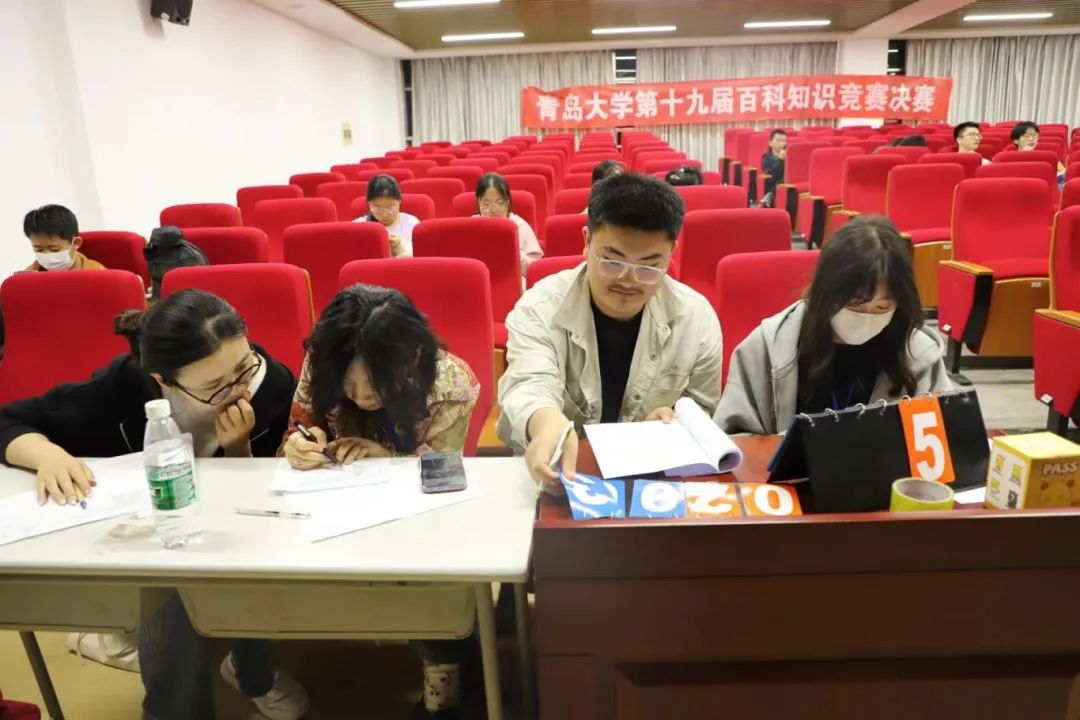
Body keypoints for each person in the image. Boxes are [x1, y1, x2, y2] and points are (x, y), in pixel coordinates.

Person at [0, 290, 308, 720]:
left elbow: (268, 487)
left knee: (248, 569)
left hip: (237, 526)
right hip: (152, 529)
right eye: (215, 387)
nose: (238, 389)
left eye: (244, 367)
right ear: (165, 381)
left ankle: (249, 671)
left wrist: (239, 446)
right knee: (170, 594)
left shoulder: (270, 383)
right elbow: (10, 420)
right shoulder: (120, 388)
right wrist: (47, 455)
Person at [280, 284, 480, 718]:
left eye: (375, 382)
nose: (361, 396)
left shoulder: (452, 383)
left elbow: (442, 471)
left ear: (414, 357)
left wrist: (389, 458)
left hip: (416, 514)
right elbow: (299, 425)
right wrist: (301, 443)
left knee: (437, 569)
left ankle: (443, 667)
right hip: (333, 503)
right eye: (347, 382)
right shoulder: (323, 358)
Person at [497, 173, 723, 489]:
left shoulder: (695, 319)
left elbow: (702, 408)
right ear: (587, 241)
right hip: (561, 472)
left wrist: (676, 419)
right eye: (612, 261)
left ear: (671, 251)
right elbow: (530, 382)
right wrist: (545, 422)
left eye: (649, 266)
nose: (628, 280)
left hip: (653, 477)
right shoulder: (540, 307)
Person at [714, 216, 952, 436]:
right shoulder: (767, 348)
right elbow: (732, 442)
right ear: (825, 294)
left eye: (882, 307)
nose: (867, 317)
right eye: (855, 304)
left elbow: (944, 440)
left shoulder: (917, 352)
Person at [474, 173, 543, 274]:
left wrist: (515, 254)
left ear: (508, 202)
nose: (493, 210)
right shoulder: (471, 226)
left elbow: (536, 268)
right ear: (478, 203)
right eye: (486, 204)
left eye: (500, 203)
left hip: (514, 279)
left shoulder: (519, 226)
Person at [22, 204, 105, 272]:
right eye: (38, 249)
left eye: (54, 249)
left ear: (76, 243)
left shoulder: (97, 273)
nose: (47, 255)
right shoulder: (28, 277)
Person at [355, 174, 419, 257]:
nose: (384, 214)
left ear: (399, 201)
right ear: (369, 204)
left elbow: (420, 257)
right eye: (378, 209)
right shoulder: (358, 227)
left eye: (390, 208)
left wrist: (400, 246)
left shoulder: (411, 223)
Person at [760, 129, 787, 204]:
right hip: (774, 184)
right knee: (786, 176)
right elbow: (773, 176)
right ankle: (770, 194)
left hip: (787, 184)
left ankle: (771, 194)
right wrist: (780, 160)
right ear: (770, 143)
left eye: (784, 141)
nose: (782, 143)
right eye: (779, 141)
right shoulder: (766, 159)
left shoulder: (789, 155)